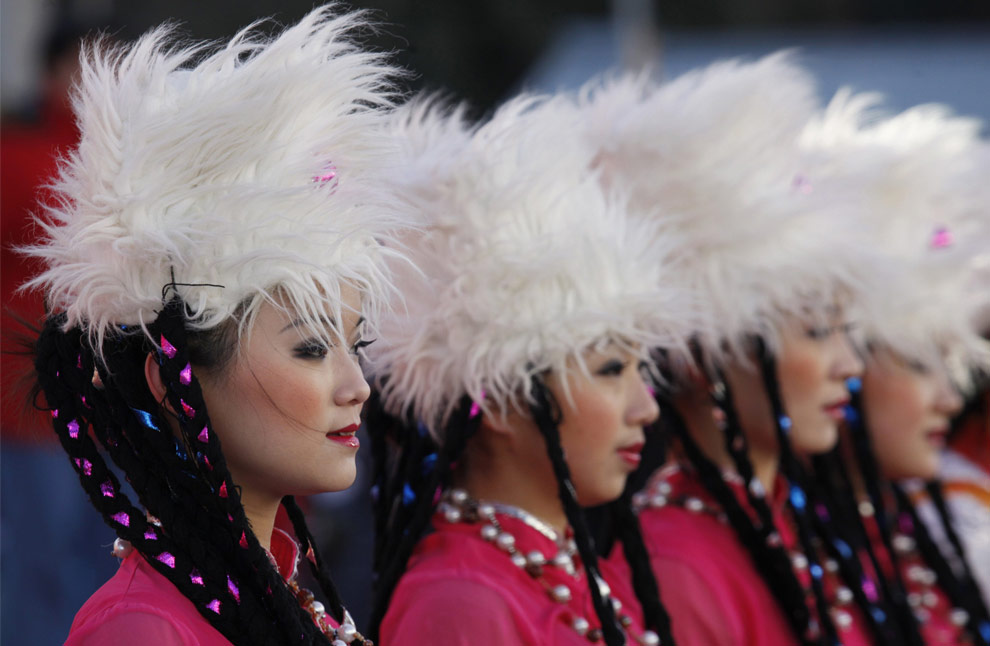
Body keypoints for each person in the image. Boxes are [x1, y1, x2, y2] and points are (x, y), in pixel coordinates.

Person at [23, 7, 410, 644]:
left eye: (356, 343)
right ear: (172, 379)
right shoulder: (144, 630)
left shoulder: (276, 590)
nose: (358, 386)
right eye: (312, 348)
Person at [580, 54, 890, 646]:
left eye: (846, 332)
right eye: (817, 332)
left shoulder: (792, 521)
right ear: (704, 360)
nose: (850, 366)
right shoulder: (679, 563)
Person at [366, 95, 691, 645]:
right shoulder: (463, 605)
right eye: (611, 369)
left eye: (642, 368)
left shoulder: (572, 575)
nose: (646, 407)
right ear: (496, 399)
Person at [802, 92, 990, 646]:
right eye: (918, 363)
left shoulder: (911, 528)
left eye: (949, 367)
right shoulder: (792, 547)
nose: (948, 398)